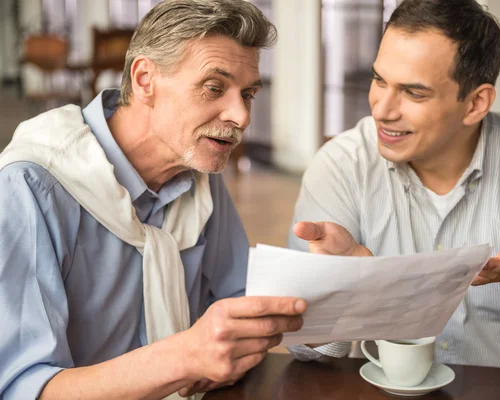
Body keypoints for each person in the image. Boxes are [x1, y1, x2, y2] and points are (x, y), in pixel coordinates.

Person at [0, 1, 310, 399]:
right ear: (145, 79)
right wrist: (185, 359)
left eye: (247, 94)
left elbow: (239, 299)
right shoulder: (29, 188)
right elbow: (23, 389)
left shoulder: (196, 171)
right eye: (215, 88)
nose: (241, 116)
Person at [287, 0, 500, 381]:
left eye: (413, 93)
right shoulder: (341, 166)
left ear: (475, 103)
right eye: (379, 80)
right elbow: (303, 349)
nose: (382, 109)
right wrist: (340, 285)